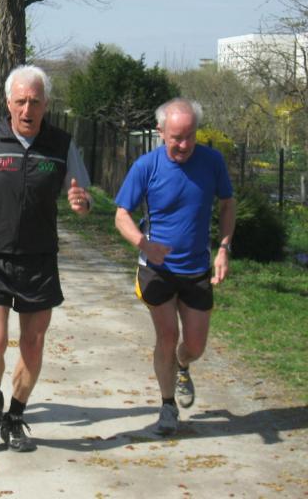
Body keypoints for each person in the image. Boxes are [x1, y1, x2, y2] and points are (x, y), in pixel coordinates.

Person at [0, 64, 92, 452]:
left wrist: (82, 203)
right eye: (20, 101)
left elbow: (82, 196)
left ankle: (15, 416)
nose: (27, 109)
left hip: (39, 259)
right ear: (8, 102)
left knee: (32, 345)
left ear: (46, 103)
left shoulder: (62, 144)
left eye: (35, 101)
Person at [114, 98, 235, 436]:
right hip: (157, 269)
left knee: (194, 346)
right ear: (161, 132)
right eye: (176, 138)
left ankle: (183, 365)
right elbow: (121, 215)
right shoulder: (146, 166)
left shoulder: (212, 161)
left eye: (190, 136)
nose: (183, 145)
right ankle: (167, 406)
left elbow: (228, 203)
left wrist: (224, 249)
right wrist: (143, 244)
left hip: (196, 268)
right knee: (167, 335)